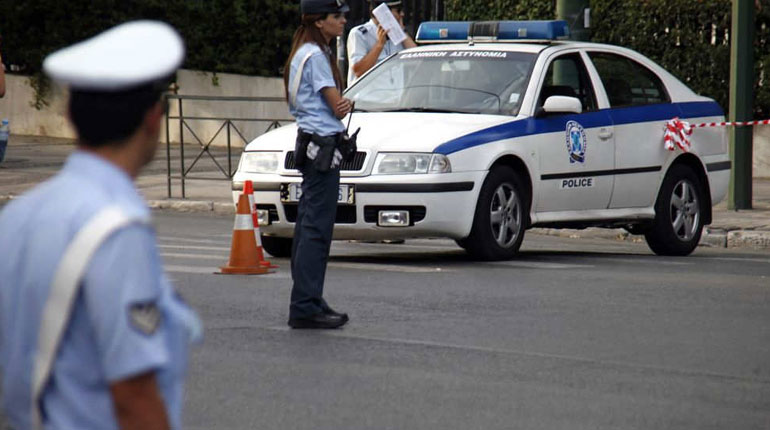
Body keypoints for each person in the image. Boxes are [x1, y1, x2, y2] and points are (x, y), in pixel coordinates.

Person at [0, 21, 201, 430]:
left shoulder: (19, 215)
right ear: (153, 118)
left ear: (71, 115)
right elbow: (134, 396)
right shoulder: (116, 227)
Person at [284, 0, 354, 329]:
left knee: (308, 226)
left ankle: (308, 299)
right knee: (316, 230)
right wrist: (351, 100)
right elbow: (337, 108)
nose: (342, 22)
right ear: (319, 21)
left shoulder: (303, 52)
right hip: (322, 146)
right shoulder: (316, 55)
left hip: (311, 143)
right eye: (336, 16)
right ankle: (305, 306)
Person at [346, 0, 416, 85]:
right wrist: (379, 45)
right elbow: (359, 71)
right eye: (398, 10)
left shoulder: (399, 36)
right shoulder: (359, 34)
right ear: (383, 13)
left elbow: (418, 57)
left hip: (395, 96)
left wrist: (401, 32)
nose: (402, 14)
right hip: (369, 97)